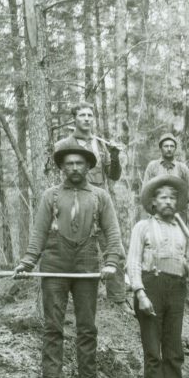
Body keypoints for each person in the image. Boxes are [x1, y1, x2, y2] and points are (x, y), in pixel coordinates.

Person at [15, 137, 123, 378]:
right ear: (62, 167)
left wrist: (110, 263)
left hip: (86, 265)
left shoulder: (100, 196)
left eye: (79, 163)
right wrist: (27, 262)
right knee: (53, 326)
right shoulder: (50, 196)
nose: (74, 168)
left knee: (87, 327)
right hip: (54, 265)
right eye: (69, 163)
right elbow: (39, 232)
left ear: (88, 166)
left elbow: (113, 234)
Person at [126, 175, 189, 378]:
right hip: (151, 286)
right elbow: (132, 263)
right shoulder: (142, 227)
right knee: (153, 347)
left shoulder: (182, 232)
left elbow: (188, 269)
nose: (168, 202)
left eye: (173, 198)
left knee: (173, 347)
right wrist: (140, 293)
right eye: (163, 197)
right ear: (153, 202)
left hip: (176, 288)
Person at [68, 101, 125, 302]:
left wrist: (115, 157)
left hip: (101, 204)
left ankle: (117, 299)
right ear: (74, 118)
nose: (86, 119)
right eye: (82, 115)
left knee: (114, 247)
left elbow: (114, 176)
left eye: (90, 115)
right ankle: (77, 300)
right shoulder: (65, 145)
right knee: (76, 252)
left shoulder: (100, 144)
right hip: (76, 205)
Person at [142, 134, 189, 207]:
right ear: (160, 148)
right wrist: (152, 204)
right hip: (157, 210)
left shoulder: (182, 167)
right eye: (166, 146)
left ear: (175, 148)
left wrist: (187, 198)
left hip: (177, 210)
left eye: (172, 146)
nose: (169, 149)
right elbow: (145, 190)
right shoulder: (152, 166)